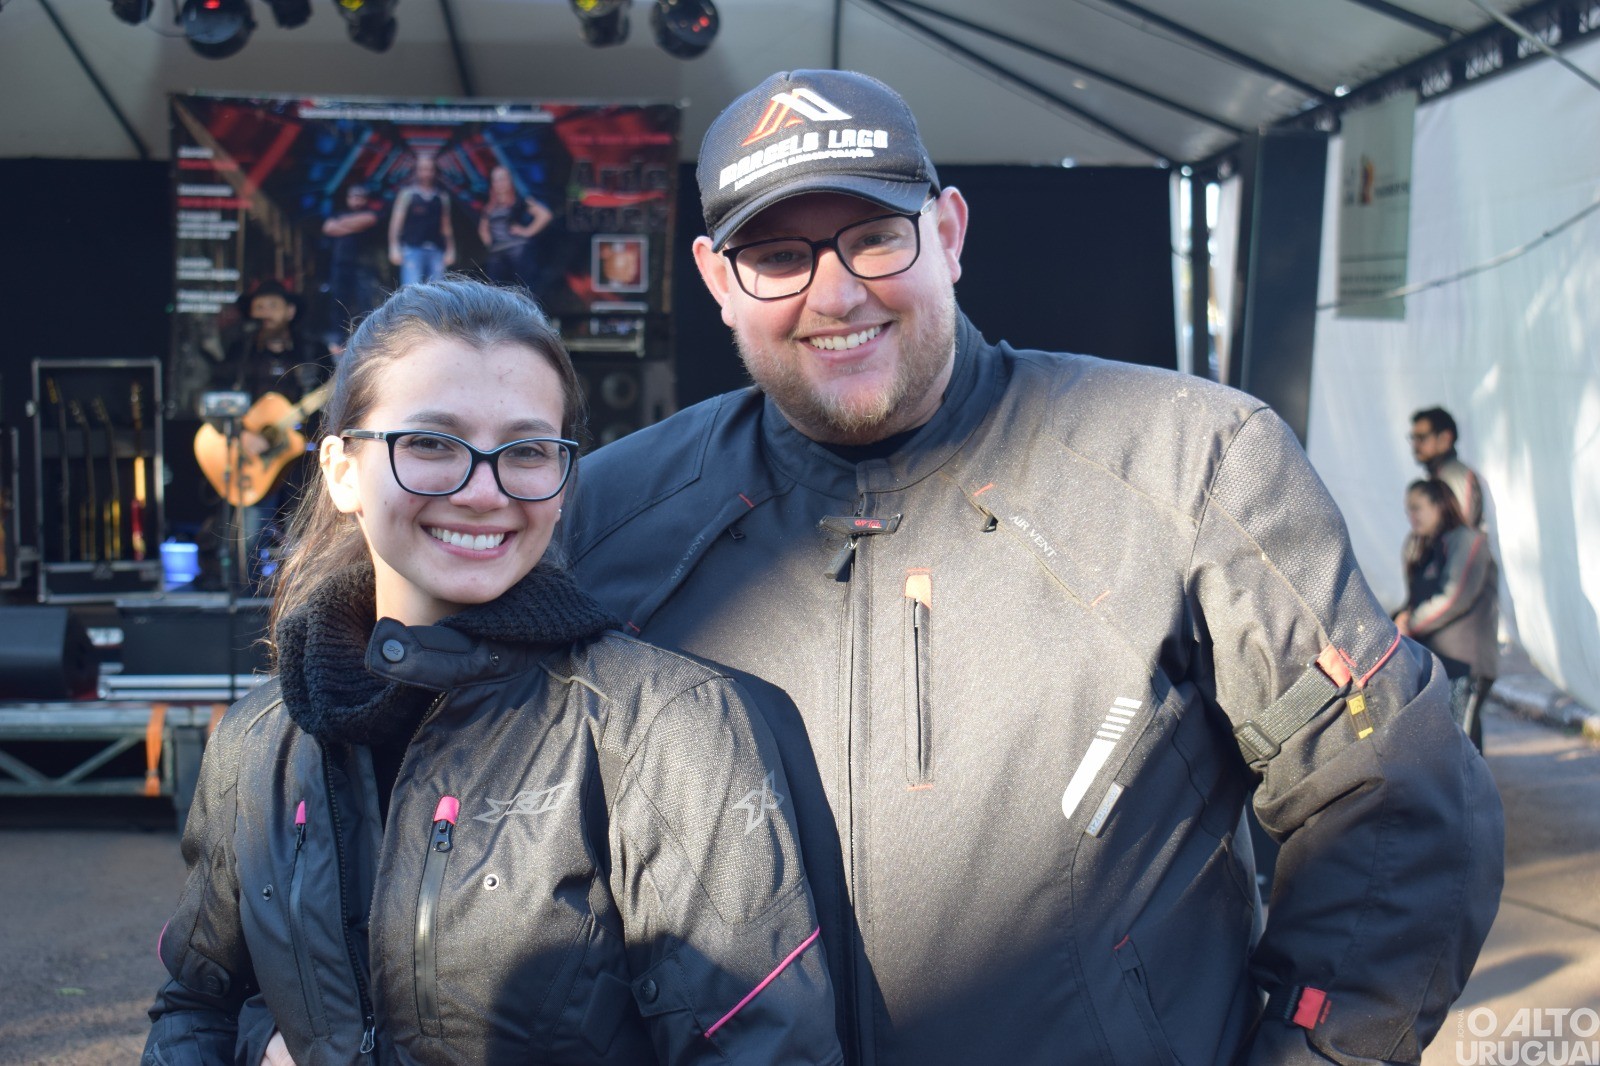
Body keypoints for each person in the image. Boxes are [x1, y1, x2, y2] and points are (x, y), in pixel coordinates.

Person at [564, 69, 1504, 1064]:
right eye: (778, 255)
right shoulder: (610, 519)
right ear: (717, 280)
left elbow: (1398, 795)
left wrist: (1311, 1052)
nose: (834, 294)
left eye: (875, 237)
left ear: (950, 233)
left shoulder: (1190, 462)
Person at [145, 280, 841, 1066]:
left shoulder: (669, 726)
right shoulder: (256, 742)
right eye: (432, 444)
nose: (484, 492)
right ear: (341, 472)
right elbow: (195, 1005)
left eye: (527, 450)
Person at [202, 280, 331, 593]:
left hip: (303, 462)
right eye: (258, 308)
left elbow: (336, 400)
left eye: (271, 306)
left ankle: (303, 600)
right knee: (248, 537)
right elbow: (213, 401)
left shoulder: (311, 352)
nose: (264, 314)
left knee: (308, 534)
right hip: (254, 464)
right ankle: (245, 598)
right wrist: (241, 434)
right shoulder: (240, 353)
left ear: (289, 311)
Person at [1397, 478, 1498, 752]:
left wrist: (1411, 623)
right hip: (1440, 665)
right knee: (1443, 748)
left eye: (1417, 508)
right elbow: (1413, 598)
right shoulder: (1423, 546)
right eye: (1408, 510)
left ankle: (1472, 797)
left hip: (1466, 666)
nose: (1411, 516)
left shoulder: (1468, 541)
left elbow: (1454, 597)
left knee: (1462, 748)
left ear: (1439, 505)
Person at [320, 183, 386, 350]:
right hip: (341, 265)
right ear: (348, 198)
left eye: (360, 197)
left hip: (363, 265)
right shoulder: (339, 213)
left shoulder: (371, 213)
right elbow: (328, 228)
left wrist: (340, 226)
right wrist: (353, 226)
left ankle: (369, 338)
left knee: (366, 302)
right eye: (353, 196)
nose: (356, 200)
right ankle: (338, 339)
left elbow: (369, 220)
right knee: (339, 302)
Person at [477, 164, 553, 289]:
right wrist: (490, 243)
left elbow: (545, 215)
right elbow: (483, 229)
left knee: (524, 288)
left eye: (502, 179)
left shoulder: (520, 200)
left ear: (509, 180)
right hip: (497, 254)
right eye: (496, 180)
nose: (499, 183)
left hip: (518, 251)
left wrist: (527, 231)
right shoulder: (490, 207)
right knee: (495, 290)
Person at [1410, 406, 1484, 528]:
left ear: (1445, 438)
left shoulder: (1455, 476)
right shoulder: (1441, 475)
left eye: (1422, 438)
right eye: (1413, 438)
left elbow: (1462, 532)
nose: (1415, 445)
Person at [388, 154, 455, 287]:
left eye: (430, 169)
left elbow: (446, 226)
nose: (426, 173)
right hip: (412, 249)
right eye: (423, 169)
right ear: (416, 171)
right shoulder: (407, 194)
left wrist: (450, 249)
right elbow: (396, 224)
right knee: (412, 291)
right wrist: (394, 247)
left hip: (436, 249)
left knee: (437, 292)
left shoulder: (441, 196)